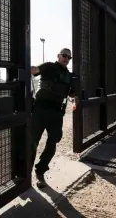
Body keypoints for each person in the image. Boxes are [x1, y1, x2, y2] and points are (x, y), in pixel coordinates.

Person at [30, 48, 77, 188]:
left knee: (52, 144)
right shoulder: (49, 66)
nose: (66, 59)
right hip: (40, 109)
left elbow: (72, 94)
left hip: (56, 113)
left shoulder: (69, 76)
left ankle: (40, 172)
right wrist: (28, 67)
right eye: (64, 55)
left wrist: (75, 99)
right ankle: (26, 175)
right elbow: (35, 70)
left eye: (69, 57)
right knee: (32, 142)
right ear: (58, 56)